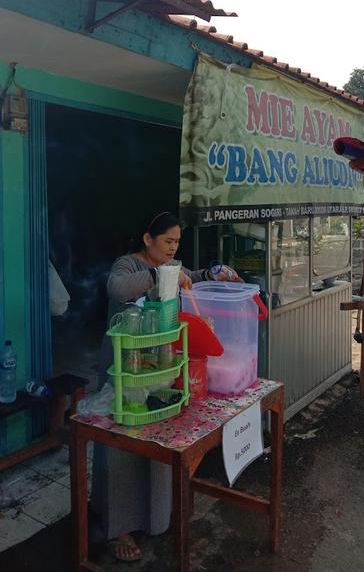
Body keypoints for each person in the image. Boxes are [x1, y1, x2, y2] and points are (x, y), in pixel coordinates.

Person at [92, 211, 240, 562]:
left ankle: (154, 518)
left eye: (177, 243)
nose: (173, 248)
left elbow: (193, 277)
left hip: (159, 365)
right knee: (122, 445)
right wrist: (158, 275)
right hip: (124, 368)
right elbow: (117, 287)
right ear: (148, 239)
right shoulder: (128, 266)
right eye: (168, 241)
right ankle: (119, 529)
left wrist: (213, 273)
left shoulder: (173, 267)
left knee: (159, 439)